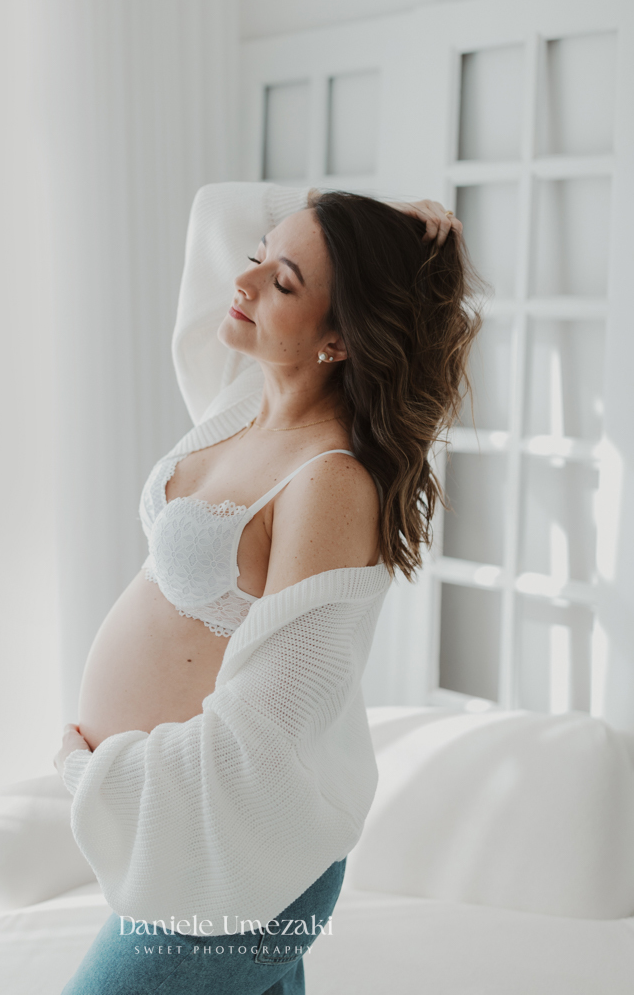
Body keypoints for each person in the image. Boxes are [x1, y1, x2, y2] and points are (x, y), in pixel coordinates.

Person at [53, 183, 481, 994]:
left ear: (342, 338)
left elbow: (275, 726)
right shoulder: (243, 400)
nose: (243, 286)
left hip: (235, 858)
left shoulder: (330, 481)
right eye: (258, 260)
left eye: (283, 283)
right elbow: (221, 211)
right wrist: (395, 224)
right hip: (203, 845)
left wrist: (108, 772)